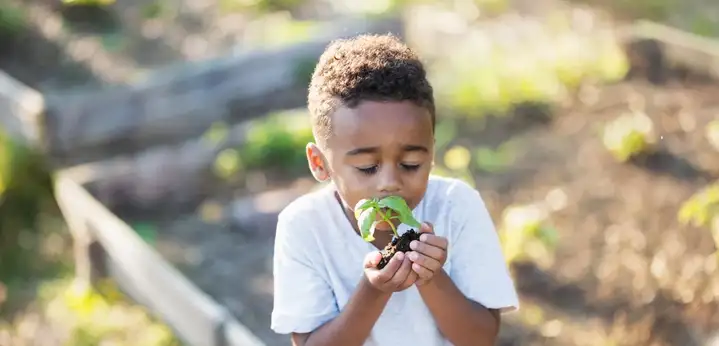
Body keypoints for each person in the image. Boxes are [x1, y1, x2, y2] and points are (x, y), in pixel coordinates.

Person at [270, 33, 519, 346]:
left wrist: (431, 278)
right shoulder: (304, 226)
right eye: (366, 167)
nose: (390, 182)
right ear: (320, 163)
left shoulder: (456, 204)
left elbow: (480, 337)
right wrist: (373, 290)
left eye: (412, 163)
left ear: (431, 152)